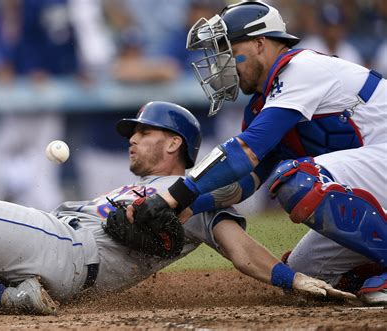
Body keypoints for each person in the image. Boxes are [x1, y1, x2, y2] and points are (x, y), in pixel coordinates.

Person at [0, 101, 353, 315]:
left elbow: (239, 248)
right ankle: (13, 298)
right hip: (55, 249)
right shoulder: (139, 187)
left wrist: (292, 278)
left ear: (174, 142)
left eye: (144, 131)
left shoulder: (191, 195)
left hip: (65, 250)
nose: (133, 138)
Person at [125, 1, 386, 306]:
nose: (222, 61)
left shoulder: (302, 67)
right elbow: (246, 180)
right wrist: (190, 206)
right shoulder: (263, 104)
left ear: (260, 43)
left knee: (297, 179)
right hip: (378, 178)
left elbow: (245, 149)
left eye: (227, 49)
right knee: (308, 273)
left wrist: (175, 194)